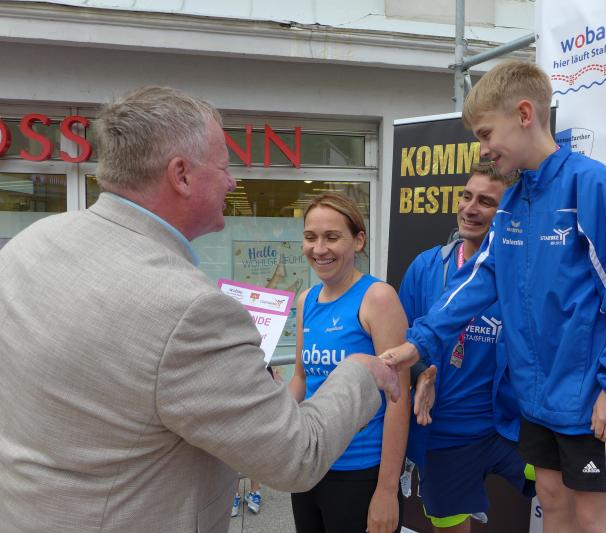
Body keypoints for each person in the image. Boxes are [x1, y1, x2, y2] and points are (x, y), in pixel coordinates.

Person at [0, 86, 400, 533]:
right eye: (224, 167)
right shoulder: (188, 308)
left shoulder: (30, 243)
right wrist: (362, 372)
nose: (232, 183)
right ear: (182, 175)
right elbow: (295, 456)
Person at [381, 60, 606, 533]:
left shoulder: (590, 185)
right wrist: (420, 343)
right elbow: (480, 279)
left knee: (594, 514)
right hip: (535, 400)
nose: (483, 149)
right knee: (552, 500)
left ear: (524, 114)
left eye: (486, 133)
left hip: (592, 397)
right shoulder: (514, 201)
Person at [399, 162, 535, 532]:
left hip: (511, 430)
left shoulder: (524, 273)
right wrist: (420, 373)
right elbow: (402, 338)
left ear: (508, 214)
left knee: (570, 496)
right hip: (445, 436)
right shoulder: (426, 267)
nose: (470, 209)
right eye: (466, 196)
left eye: (486, 202)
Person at [288, 192, 410, 533]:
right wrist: (273, 422)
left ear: (358, 241)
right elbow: (301, 378)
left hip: (361, 472)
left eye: (331, 237)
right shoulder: (306, 300)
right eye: (310, 237)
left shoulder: (378, 298)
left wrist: (386, 489)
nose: (319, 249)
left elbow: (399, 399)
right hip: (310, 465)